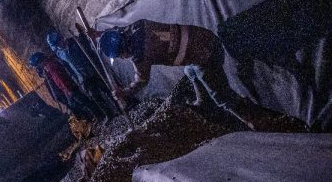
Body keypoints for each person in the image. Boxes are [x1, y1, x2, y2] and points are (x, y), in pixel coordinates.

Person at [98, 19, 253, 127]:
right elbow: (118, 30)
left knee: (221, 97)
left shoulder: (140, 56)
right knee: (190, 71)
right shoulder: (138, 25)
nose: (123, 58)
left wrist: (124, 92)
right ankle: (202, 101)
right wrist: (98, 34)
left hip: (207, 55)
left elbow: (141, 81)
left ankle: (251, 119)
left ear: (122, 51)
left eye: (120, 56)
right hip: (207, 36)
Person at [46, 28, 119, 119]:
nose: (60, 45)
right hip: (82, 77)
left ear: (61, 38)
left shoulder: (75, 42)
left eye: (59, 42)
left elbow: (89, 49)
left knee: (107, 89)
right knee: (95, 96)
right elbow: (68, 67)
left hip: (92, 69)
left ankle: (119, 107)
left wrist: (82, 35)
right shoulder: (60, 53)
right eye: (57, 45)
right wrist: (76, 79)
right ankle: (109, 114)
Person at [28, 52, 103, 121]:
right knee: (81, 103)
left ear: (40, 61)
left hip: (69, 88)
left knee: (84, 102)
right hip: (68, 88)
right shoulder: (49, 66)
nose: (37, 67)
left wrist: (68, 90)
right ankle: (96, 116)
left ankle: (99, 115)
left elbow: (60, 79)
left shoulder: (50, 66)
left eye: (37, 65)